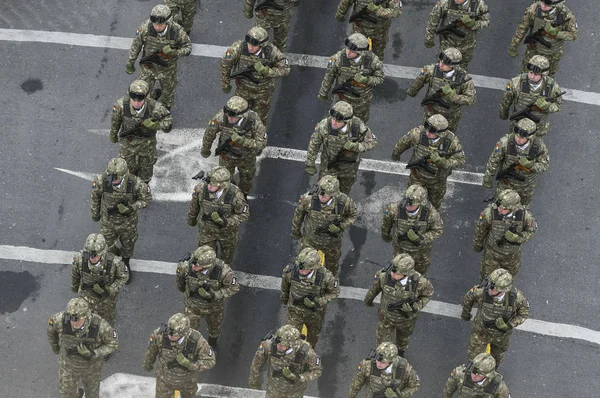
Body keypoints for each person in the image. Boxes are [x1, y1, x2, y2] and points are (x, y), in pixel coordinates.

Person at [91, 157, 152, 284]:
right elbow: (95, 195)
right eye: (112, 177)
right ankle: (114, 263)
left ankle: (125, 263)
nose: (114, 180)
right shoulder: (102, 181)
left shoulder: (135, 183)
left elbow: (146, 199)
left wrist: (132, 207)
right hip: (108, 223)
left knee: (128, 245)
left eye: (117, 178)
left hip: (128, 223)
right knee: (107, 247)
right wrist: (95, 213)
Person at [364, 253, 434, 357]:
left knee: (403, 340)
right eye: (392, 271)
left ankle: (401, 354)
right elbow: (374, 289)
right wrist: (368, 301)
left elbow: (428, 294)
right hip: (386, 318)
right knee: (382, 345)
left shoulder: (420, 283)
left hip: (406, 320)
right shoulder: (384, 276)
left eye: (397, 274)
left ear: (407, 273)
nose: (393, 274)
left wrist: (415, 307)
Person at [47, 298, 118, 398]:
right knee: (67, 394)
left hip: (91, 368)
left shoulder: (100, 326)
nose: (74, 323)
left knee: (92, 395)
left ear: (86, 316)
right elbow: (51, 331)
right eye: (72, 319)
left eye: (78, 320)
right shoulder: (59, 319)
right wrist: (55, 346)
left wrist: (94, 352)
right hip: (68, 366)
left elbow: (113, 344)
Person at [125, 4, 192, 110]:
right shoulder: (145, 28)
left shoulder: (177, 31)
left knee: (168, 93)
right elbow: (136, 45)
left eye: (160, 24)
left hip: (167, 70)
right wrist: (131, 61)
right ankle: (148, 109)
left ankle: (165, 113)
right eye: (155, 24)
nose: (157, 27)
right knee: (145, 92)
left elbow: (188, 48)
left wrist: (175, 52)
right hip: (148, 67)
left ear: (168, 22)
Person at [391, 114, 465, 209]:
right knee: (410, 201)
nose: (427, 132)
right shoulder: (417, 133)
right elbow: (403, 143)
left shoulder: (451, 142)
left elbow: (461, 160)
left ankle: (433, 219)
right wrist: (396, 154)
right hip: (417, 176)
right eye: (427, 126)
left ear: (441, 133)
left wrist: (444, 162)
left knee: (435, 204)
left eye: (432, 131)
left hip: (437, 181)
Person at [220, 26, 290, 124]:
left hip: (263, 91)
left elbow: (285, 69)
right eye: (249, 43)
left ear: (262, 45)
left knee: (259, 119)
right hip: (243, 89)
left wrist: (267, 71)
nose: (250, 47)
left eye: (254, 45)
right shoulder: (240, 48)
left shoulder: (272, 52)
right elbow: (226, 63)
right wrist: (225, 83)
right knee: (237, 116)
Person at [305, 101, 377, 194]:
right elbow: (314, 143)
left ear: (347, 121)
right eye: (332, 118)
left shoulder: (357, 126)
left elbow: (373, 142)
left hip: (349, 168)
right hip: (329, 166)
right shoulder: (324, 126)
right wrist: (310, 163)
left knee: (344, 191)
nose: (333, 122)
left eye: (338, 121)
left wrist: (356, 147)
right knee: (323, 192)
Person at [461, 269, 530, 367]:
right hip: (481, 332)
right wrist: (466, 314)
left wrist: (509, 325)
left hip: (501, 336)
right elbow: (468, 298)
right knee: (474, 362)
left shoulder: (517, 298)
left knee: (496, 360)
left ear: (503, 290)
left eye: (493, 289)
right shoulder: (481, 291)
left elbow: (524, 314)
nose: (489, 289)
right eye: (490, 286)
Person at [291, 175, 358, 275]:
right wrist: (295, 230)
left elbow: (353, 215)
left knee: (332, 267)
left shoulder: (344, 202)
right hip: (310, 240)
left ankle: (328, 283)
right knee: (304, 265)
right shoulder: (308, 199)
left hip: (331, 243)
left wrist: (341, 226)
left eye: (324, 195)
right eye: (320, 194)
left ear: (333, 194)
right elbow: (299, 214)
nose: (321, 197)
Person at [201, 96, 267, 195]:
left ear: (242, 115)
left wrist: (243, 141)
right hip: (226, 157)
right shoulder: (221, 117)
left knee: (246, 179)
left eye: (232, 116)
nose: (229, 117)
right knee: (224, 181)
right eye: (227, 114)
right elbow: (210, 132)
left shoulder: (254, 121)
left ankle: (243, 195)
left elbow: (261, 144)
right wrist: (206, 148)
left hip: (246, 158)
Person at [109, 79, 173, 183]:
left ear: (146, 97)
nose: (136, 102)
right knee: (127, 169)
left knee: (146, 171)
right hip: (127, 144)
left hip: (147, 145)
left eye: (140, 99)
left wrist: (156, 125)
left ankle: (143, 188)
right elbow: (115, 121)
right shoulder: (121, 105)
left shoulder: (154, 106)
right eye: (133, 99)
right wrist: (113, 134)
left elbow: (168, 121)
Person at [176, 245, 240, 348]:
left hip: (214, 308)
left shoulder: (223, 272)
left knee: (214, 328)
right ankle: (193, 348)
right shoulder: (186, 266)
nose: (193, 267)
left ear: (208, 266)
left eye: (197, 265)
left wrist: (214, 295)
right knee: (190, 330)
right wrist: (185, 292)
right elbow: (180, 282)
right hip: (192, 306)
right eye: (193, 263)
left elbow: (234, 288)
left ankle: (212, 343)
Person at [143, 313, 216, 398]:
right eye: (169, 333)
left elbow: (210, 360)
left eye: (174, 335)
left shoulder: (197, 341)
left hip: (187, 382)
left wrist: (190, 365)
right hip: (165, 380)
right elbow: (152, 349)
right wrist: (148, 362)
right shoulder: (160, 334)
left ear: (183, 333)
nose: (170, 336)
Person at [187, 166, 249, 264]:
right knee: (205, 259)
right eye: (209, 184)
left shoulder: (235, 195)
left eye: (213, 185)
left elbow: (244, 214)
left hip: (227, 233)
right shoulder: (201, 189)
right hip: (206, 231)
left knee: (226, 260)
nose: (209, 187)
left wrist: (226, 221)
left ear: (223, 185)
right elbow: (194, 206)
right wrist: (192, 220)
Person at [482, 118, 549, 207]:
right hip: (506, 184)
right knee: (501, 207)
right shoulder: (505, 143)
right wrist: (488, 178)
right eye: (516, 136)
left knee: (522, 210)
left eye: (522, 138)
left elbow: (545, 165)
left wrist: (531, 165)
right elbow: (494, 160)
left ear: (530, 137)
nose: (518, 139)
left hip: (525, 187)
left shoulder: (538, 146)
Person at [281, 247, 340, 347]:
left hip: (315, 315)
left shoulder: (326, 277)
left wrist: (319, 301)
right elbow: (285, 285)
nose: (301, 270)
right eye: (300, 267)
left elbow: (335, 293)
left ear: (314, 267)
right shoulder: (290, 271)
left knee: (312, 340)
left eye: (305, 269)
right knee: (289, 340)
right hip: (294, 313)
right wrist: (284, 298)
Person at [318, 33, 385, 122]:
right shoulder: (337, 59)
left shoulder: (373, 61)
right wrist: (323, 92)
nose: (348, 52)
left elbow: (380, 78)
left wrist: (366, 80)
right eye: (347, 48)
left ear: (360, 52)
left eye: (352, 51)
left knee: (359, 122)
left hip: (361, 101)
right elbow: (329, 76)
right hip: (342, 98)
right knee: (338, 121)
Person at [406, 47, 475, 132]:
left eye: (445, 63)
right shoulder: (431, 70)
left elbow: (471, 99)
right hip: (431, 111)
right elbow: (420, 80)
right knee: (428, 132)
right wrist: (412, 91)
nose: (441, 64)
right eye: (441, 60)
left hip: (450, 116)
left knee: (446, 135)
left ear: (454, 66)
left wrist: (454, 97)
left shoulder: (464, 79)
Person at [472, 189, 537, 278]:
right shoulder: (489, 213)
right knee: (487, 279)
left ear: (512, 208)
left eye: (503, 208)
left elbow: (532, 230)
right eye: (499, 206)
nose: (499, 209)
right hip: (492, 253)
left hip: (512, 256)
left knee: (507, 280)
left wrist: (519, 238)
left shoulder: (524, 215)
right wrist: (477, 245)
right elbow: (480, 230)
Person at [381, 184, 444, 275]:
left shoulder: (431, 213)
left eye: (412, 204)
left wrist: (422, 238)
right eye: (407, 202)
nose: (409, 206)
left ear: (420, 203)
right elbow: (386, 224)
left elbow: (438, 230)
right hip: (400, 250)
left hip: (420, 253)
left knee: (418, 275)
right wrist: (386, 236)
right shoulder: (394, 209)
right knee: (398, 274)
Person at [249, 325, 322, 397]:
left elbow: (317, 371)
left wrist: (299, 377)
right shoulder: (269, 345)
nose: (279, 347)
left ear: (292, 345)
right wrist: (253, 382)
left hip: (295, 394)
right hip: (273, 391)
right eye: (278, 343)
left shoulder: (306, 351)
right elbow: (257, 363)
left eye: (283, 345)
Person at [71, 233, 128, 326]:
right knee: (83, 323)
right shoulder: (79, 259)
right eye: (90, 254)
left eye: (95, 255)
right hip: (85, 299)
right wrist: (74, 287)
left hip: (105, 301)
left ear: (103, 253)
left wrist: (110, 289)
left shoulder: (115, 263)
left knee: (106, 323)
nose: (92, 258)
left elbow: (123, 277)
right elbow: (75, 275)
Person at [498, 54, 563, 137]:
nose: (531, 76)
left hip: (539, 128)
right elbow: (506, 101)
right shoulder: (516, 83)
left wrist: (547, 107)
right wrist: (503, 114)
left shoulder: (552, 87)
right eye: (530, 72)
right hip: (518, 125)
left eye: (536, 74)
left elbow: (559, 105)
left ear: (543, 75)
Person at [508, 0, 578, 76]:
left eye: (547, 4)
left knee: (549, 73)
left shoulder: (566, 16)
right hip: (534, 48)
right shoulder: (534, 9)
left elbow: (573, 35)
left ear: (556, 5)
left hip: (553, 53)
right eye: (542, 2)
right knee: (526, 70)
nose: (543, 6)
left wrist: (557, 33)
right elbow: (522, 28)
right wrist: (513, 45)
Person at [424, 0, 490, 70]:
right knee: (443, 66)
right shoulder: (445, 2)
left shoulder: (478, 4)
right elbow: (433, 20)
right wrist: (429, 38)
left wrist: (474, 24)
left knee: (462, 68)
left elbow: (486, 21)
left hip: (467, 45)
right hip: (447, 43)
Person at [335, 0, 403, 61]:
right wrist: (340, 15)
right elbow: (345, 2)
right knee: (354, 51)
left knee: (377, 54)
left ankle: (375, 69)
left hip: (379, 30)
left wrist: (377, 10)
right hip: (359, 28)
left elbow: (396, 12)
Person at [348, 342, 420, 398]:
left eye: (383, 363)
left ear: (392, 361)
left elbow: (414, 385)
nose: (378, 364)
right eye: (377, 360)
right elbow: (356, 384)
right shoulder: (367, 365)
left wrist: (399, 395)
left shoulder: (404, 369)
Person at [442, 353, 510, 397]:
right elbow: (447, 391)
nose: (474, 376)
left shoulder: (499, 387)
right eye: (473, 372)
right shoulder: (460, 374)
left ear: (488, 375)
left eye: (479, 375)